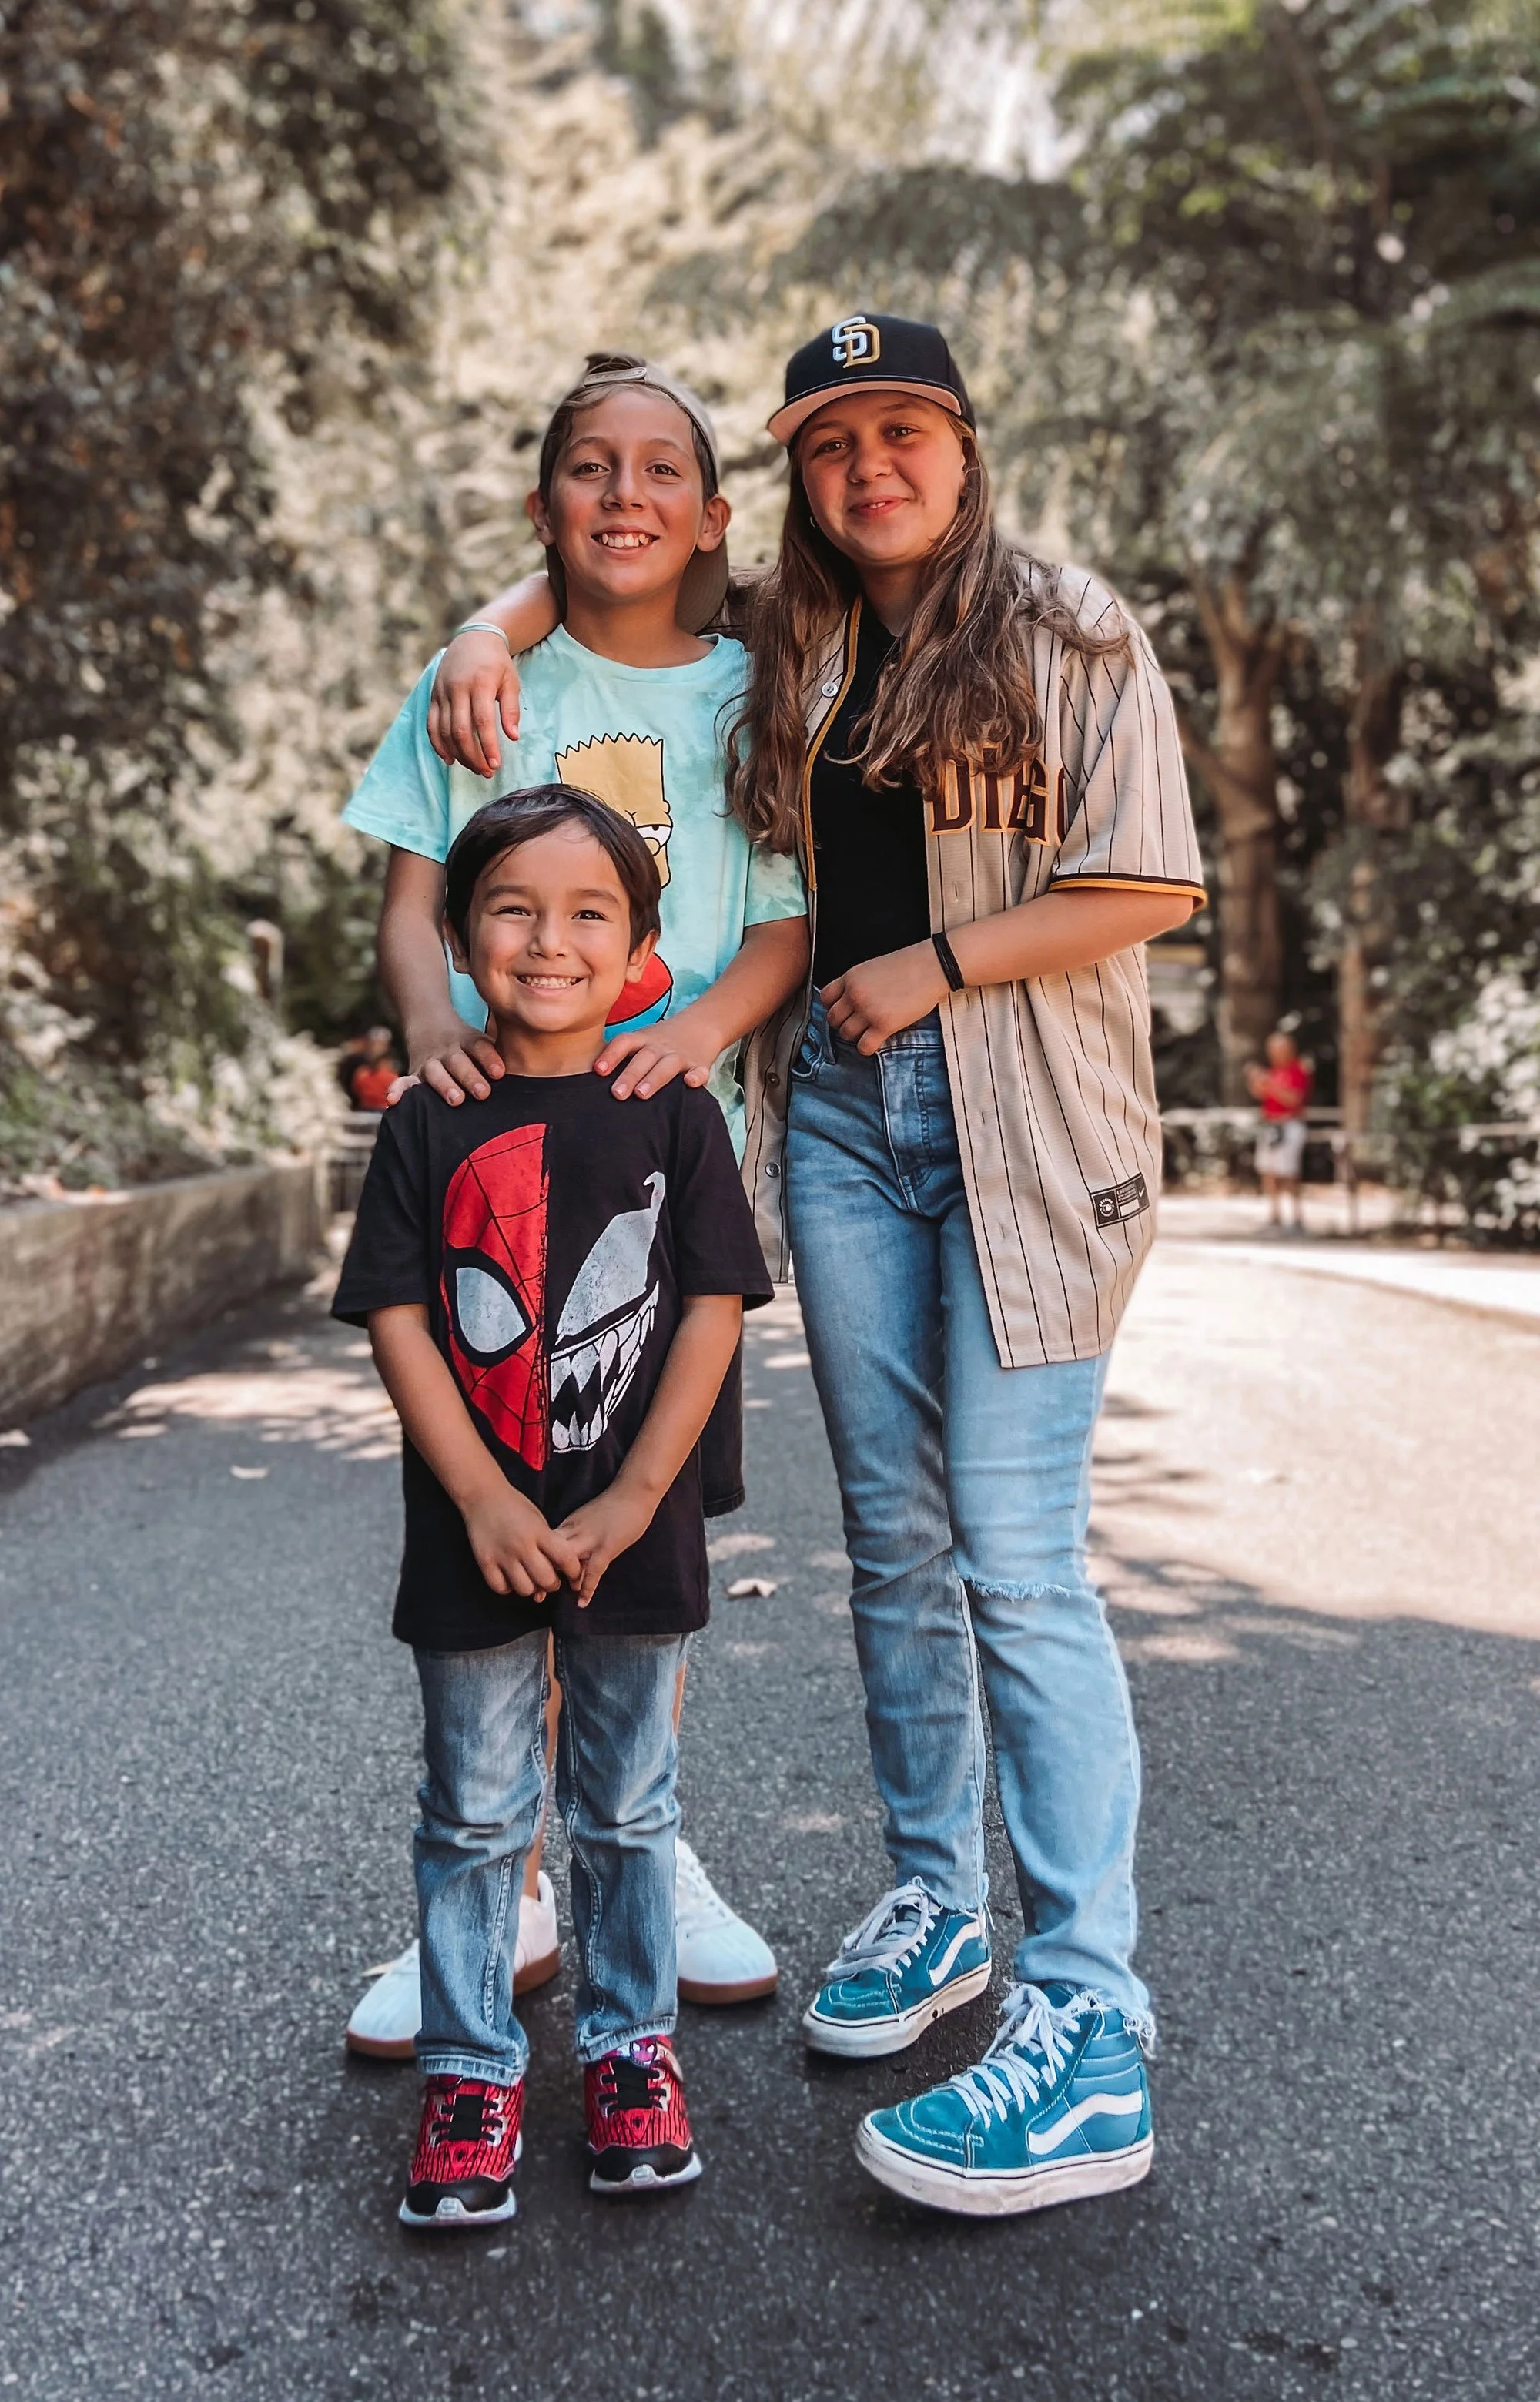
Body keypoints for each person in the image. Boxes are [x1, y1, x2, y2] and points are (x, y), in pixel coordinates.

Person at [340, 355, 805, 2048]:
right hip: (493, 1169)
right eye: (590, 468)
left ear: (712, 511)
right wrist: (427, 1038)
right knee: (503, 1512)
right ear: (543, 508)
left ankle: (640, 1844)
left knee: (641, 1522)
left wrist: (695, 1034)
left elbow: (783, 919)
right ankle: (508, 1880)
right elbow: (411, 903)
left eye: (661, 467)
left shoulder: (757, 691)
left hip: (658, 1165)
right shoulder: (479, 681)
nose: (626, 494)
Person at [333, 786, 774, 2226]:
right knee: (474, 1810)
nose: (548, 939)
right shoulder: (428, 1119)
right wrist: (478, 1493)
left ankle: (631, 2045)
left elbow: (712, 1306)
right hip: (475, 1532)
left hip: (634, 1531)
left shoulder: (676, 1113)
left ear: (642, 949)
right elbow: (399, 1313)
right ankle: (471, 2068)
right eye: (512, 909)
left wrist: (642, 1491)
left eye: (590, 912)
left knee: (629, 1806)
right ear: (461, 937)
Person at [1247, 1029, 1313, 1229]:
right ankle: (1275, 1214)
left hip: (1289, 1125)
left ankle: (1297, 1215)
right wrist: (1255, 1080)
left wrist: (1270, 1084)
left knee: (1289, 1172)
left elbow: (1294, 1099)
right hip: (1271, 1125)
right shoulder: (1274, 1071)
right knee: (1269, 1171)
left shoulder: (1298, 1070)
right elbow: (1260, 1094)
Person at [346, 1026, 400, 1113]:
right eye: (373, 1044)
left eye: (380, 1044)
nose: (376, 1048)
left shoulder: (393, 1071)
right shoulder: (360, 1071)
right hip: (364, 1111)